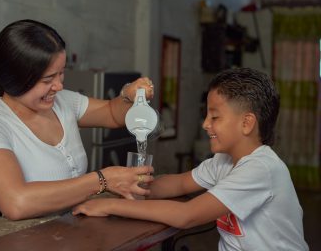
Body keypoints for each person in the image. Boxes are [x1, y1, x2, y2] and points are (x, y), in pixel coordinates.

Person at [73, 68, 309, 251]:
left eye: (215, 117)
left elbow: (187, 215)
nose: (206, 124)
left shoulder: (261, 168)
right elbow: (178, 184)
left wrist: (111, 205)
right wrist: (129, 184)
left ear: (247, 123)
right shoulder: (223, 161)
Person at [0, 19, 155, 224]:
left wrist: (128, 95)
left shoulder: (62, 101)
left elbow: (111, 113)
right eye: (48, 79)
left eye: (61, 73)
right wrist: (103, 180)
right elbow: (16, 202)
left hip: (68, 232)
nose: (58, 85)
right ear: (14, 79)